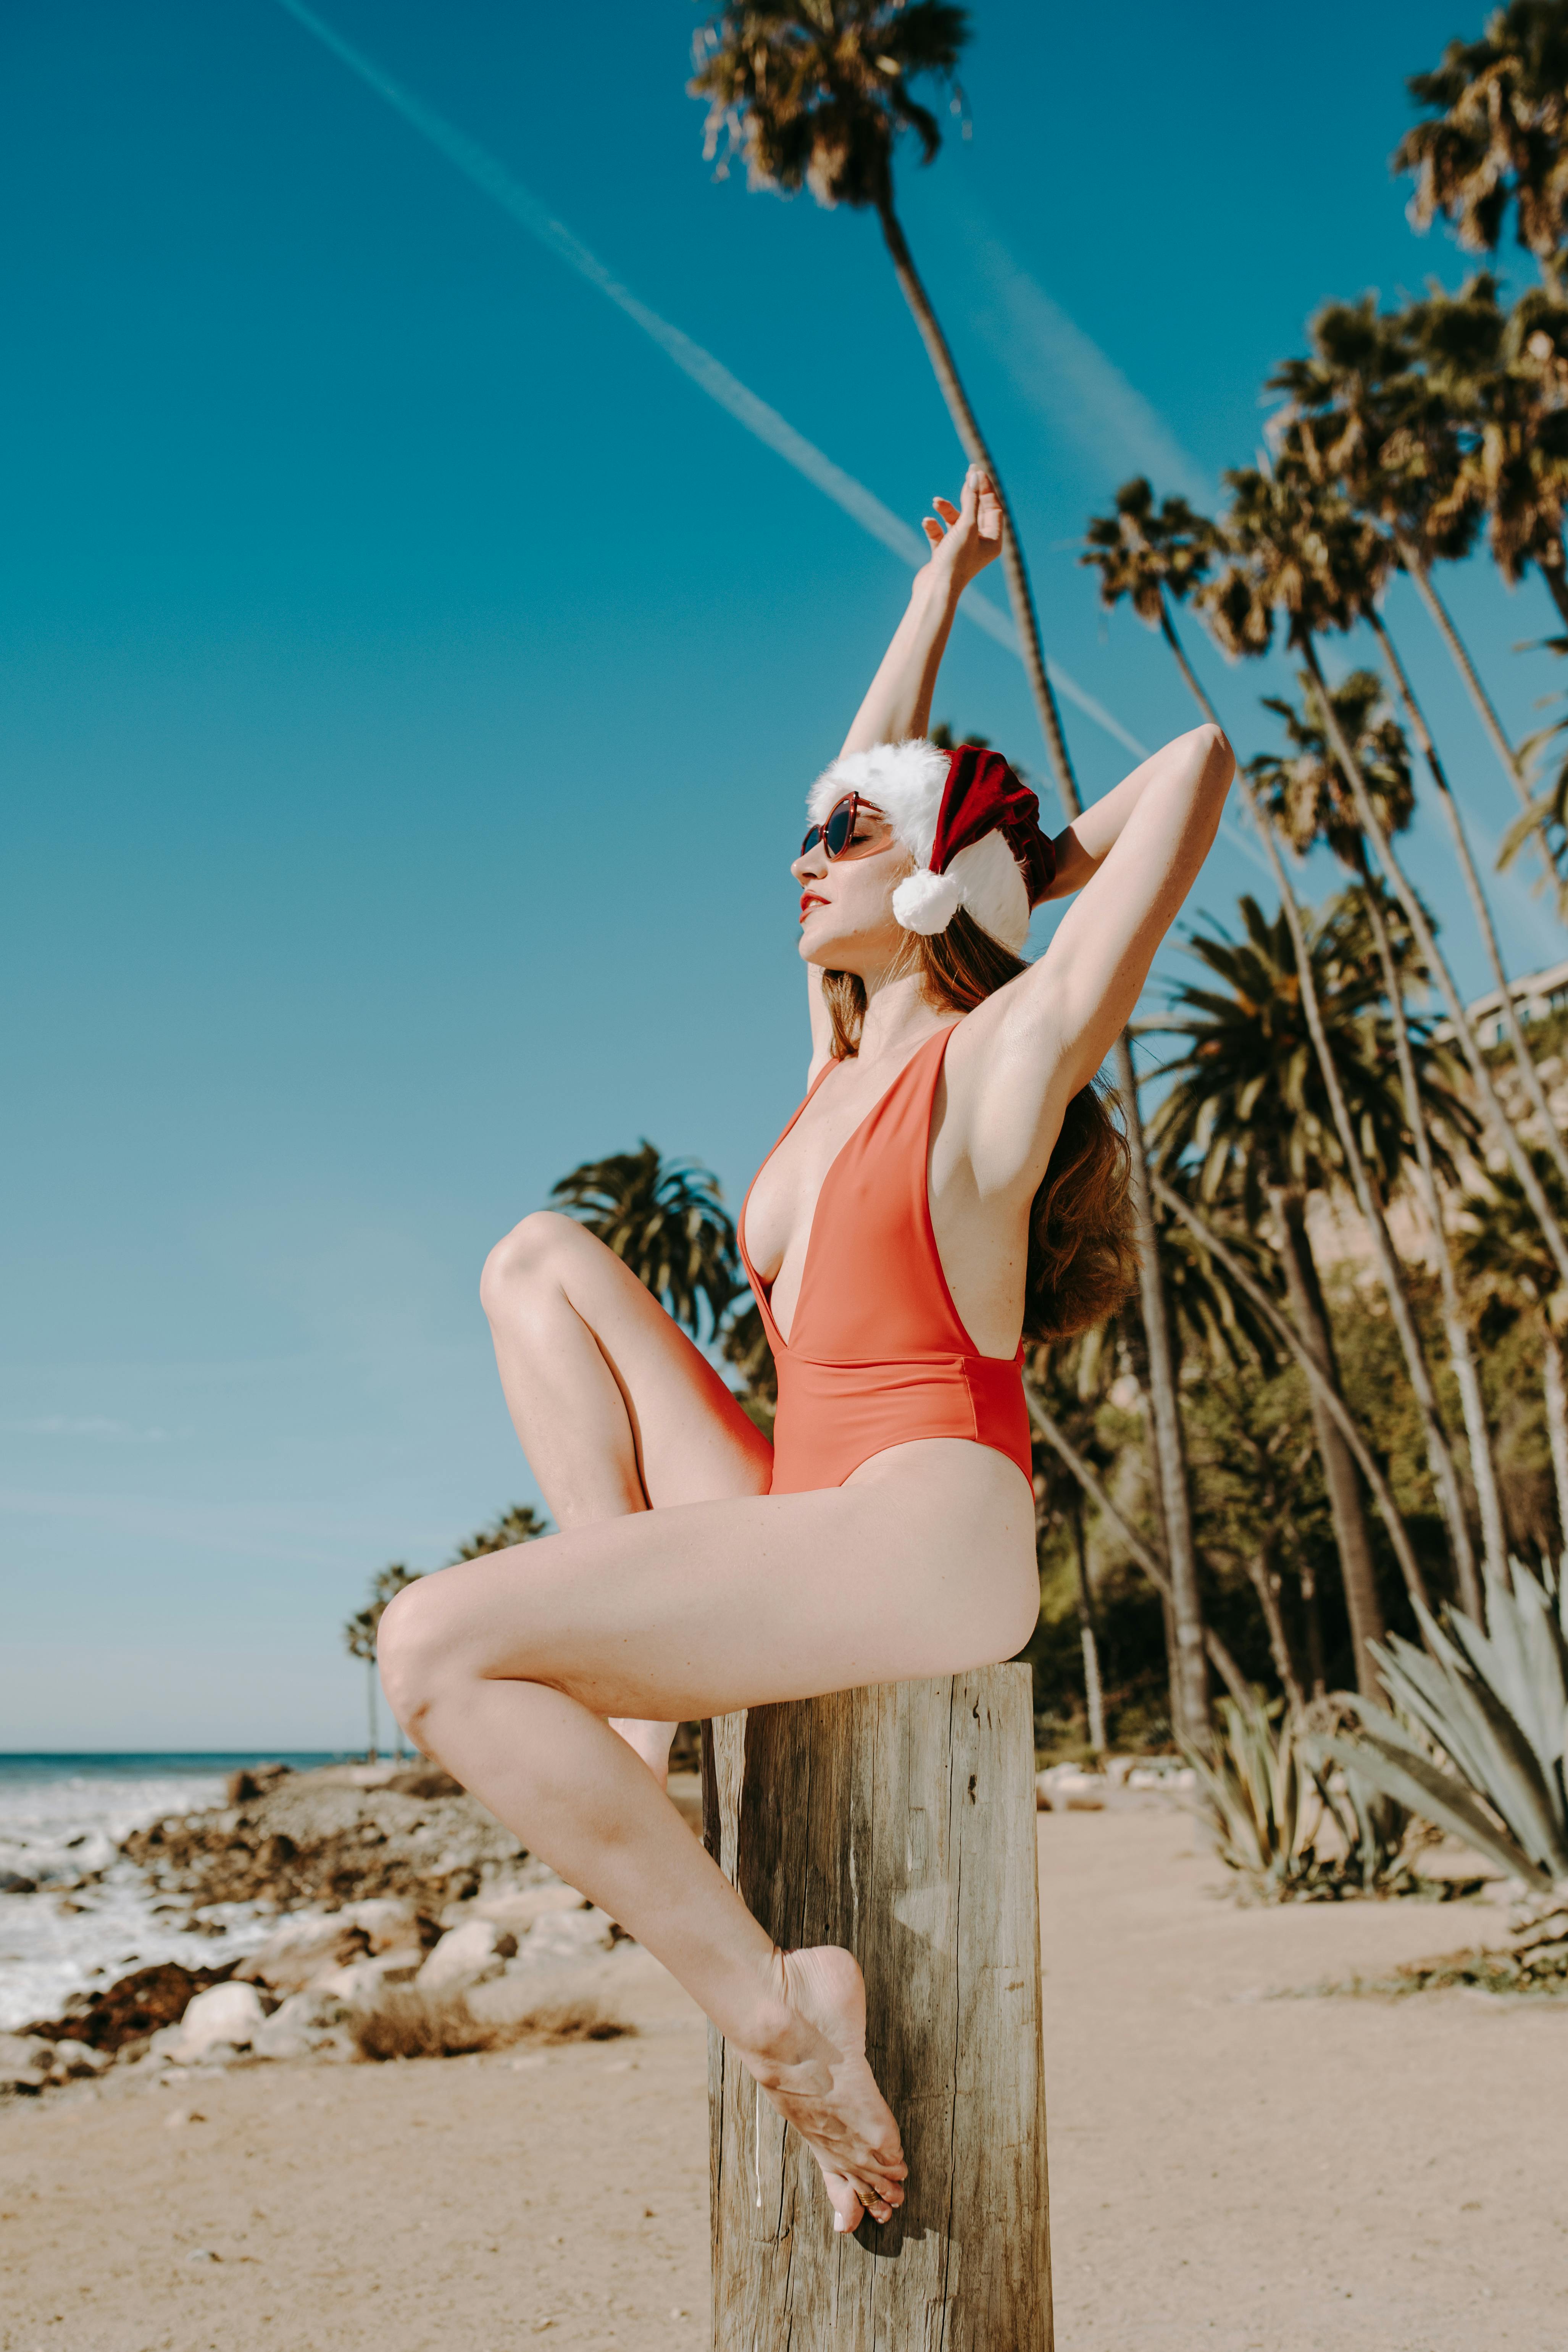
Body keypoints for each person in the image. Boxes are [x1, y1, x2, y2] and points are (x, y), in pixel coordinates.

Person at [377, 466, 1234, 2232]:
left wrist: (1018, 861)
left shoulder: (994, 1070)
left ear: (924, 881)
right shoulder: (839, 1059)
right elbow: (863, 762)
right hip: (806, 1489)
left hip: (930, 1517)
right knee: (536, 1259)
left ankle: (782, 2013)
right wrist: (939, 588)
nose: (801, 852)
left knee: (434, 1643)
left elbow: (1202, 767)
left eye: (841, 841)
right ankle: (648, 1701)